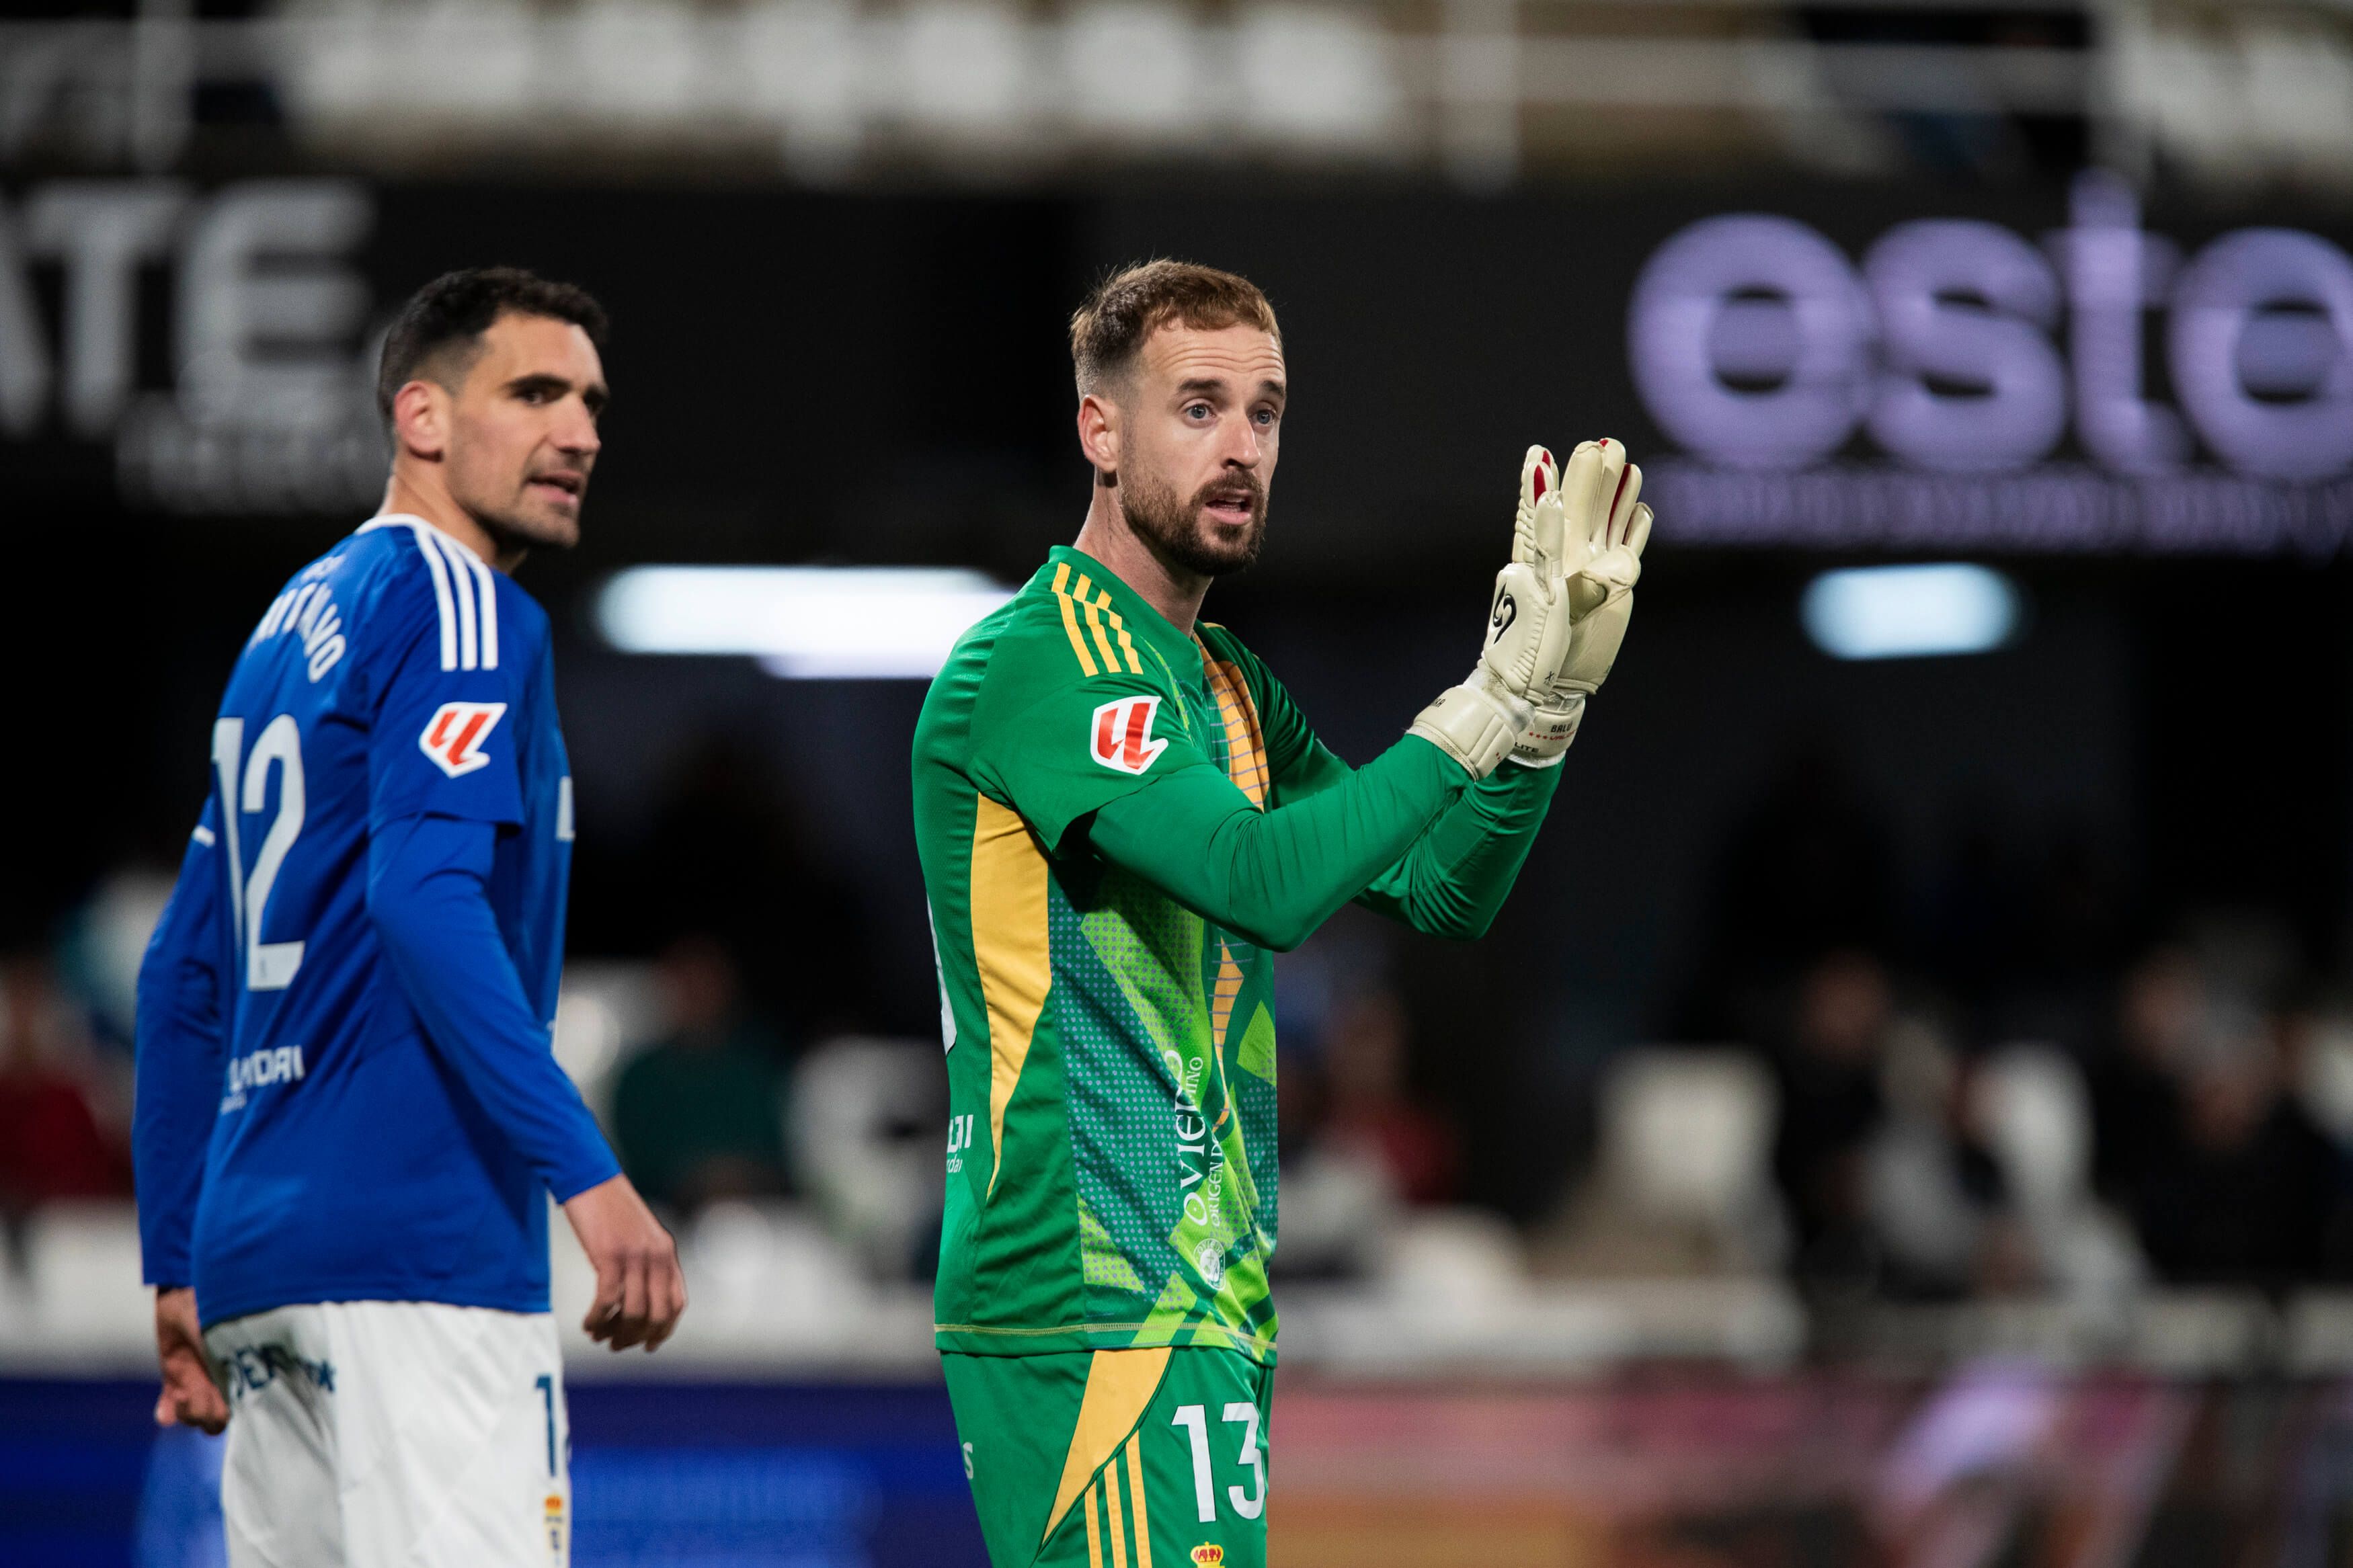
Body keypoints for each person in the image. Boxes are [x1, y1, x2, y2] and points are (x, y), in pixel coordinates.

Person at [911, 259, 1652, 1568]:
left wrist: (1539, 717)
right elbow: (1267, 882)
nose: (1242, 445)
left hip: (1200, 1292)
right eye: (1197, 406)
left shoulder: (1225, 683)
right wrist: (1478, 701)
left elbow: (1436, 892)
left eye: (1265, 411)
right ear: (1100, 430)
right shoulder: (1033, 659)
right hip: (1090, 1299)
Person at [132, 267, 685, 1567]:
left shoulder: (287, 627)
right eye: (536, 392)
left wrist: (175, 1263)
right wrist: (590, 1180)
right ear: (421, 418)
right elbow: (425, 901)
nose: (581, 432)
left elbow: (180, 977)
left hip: (260, 1263)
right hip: (419, 1252)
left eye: (593, 403)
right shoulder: (459, 604)